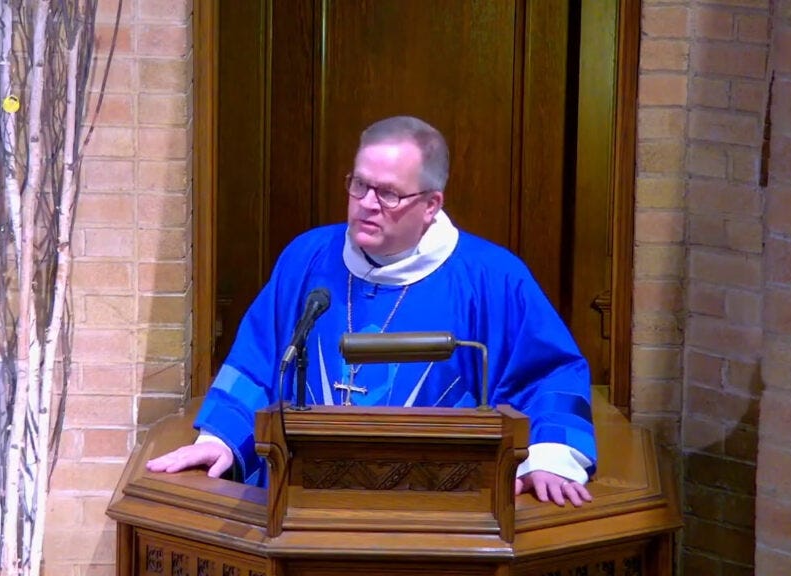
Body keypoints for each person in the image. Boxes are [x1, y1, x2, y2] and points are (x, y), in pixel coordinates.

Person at [147, 116, 596, 507]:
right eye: (359, 184)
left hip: (444, 514)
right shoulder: (306, 259)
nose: (366, 203)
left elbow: (552, 374)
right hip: (303, 507)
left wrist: (550, 454)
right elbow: (258, 359)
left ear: (431, 205)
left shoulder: (493, 278)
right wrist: (223, 436)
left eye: (388, 193)